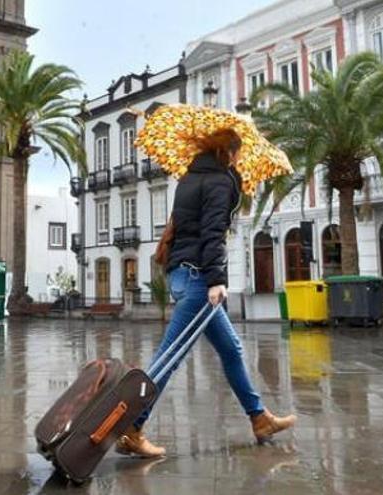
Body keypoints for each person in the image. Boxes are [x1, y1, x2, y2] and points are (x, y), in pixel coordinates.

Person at [116, 132, 296, 458]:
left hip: (181, 272)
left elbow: (186, 227)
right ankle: (132, 427)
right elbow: (212, 232)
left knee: (231, 348)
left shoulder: (190, 177)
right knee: (169, 357)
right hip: (200, 277)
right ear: (228, 152)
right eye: (238, 153)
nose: (240, 159)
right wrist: (216, 279)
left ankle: (259, 418)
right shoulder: (220, 181)